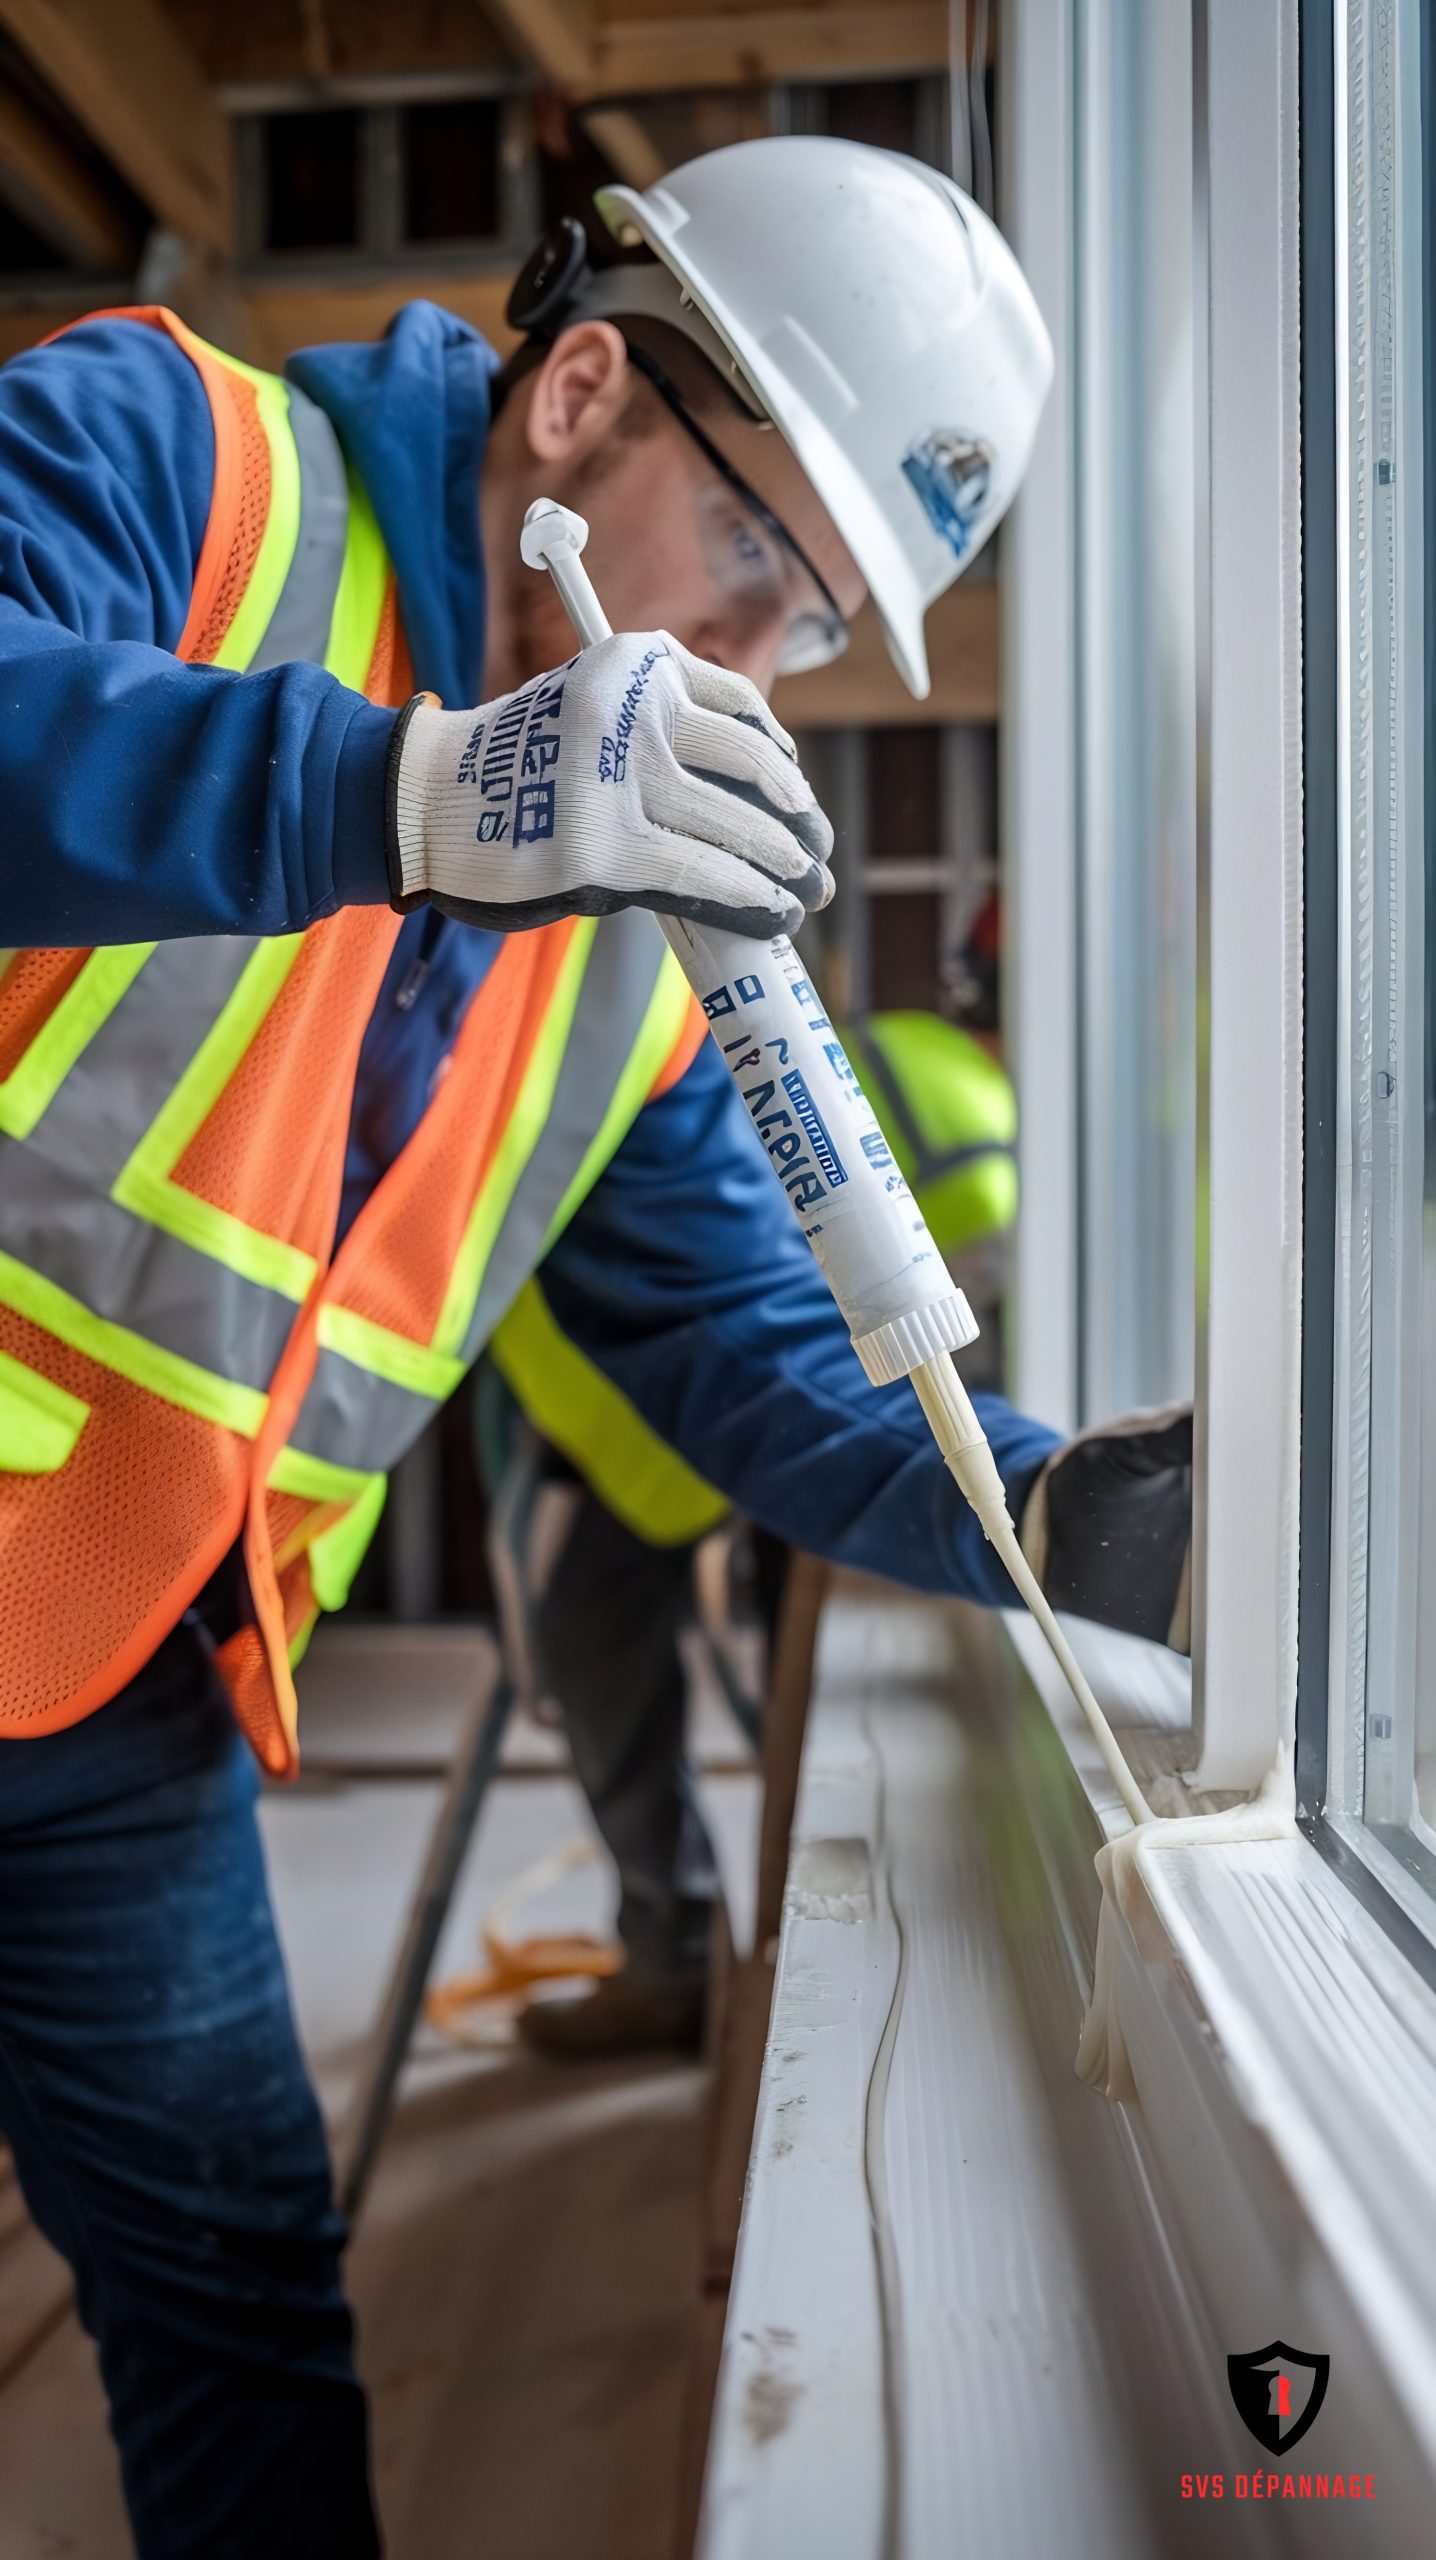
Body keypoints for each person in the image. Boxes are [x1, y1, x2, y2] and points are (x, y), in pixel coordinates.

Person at [0, 137, 1189, 2557]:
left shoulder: (604, 920)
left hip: (104, 1688)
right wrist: (417, 791)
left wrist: (1066, 1509)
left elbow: (754, 1339)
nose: (753, 666)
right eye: (757, 563)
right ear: (577, 395)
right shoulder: (165, 460)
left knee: (237, 2296)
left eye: (814, 625)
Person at [484, 1006, 1027, 2057]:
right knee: (616, 1640)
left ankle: (729, 1951)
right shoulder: (932, 1076)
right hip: (699, 1393)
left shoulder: (917, 1076)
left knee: (770, 1665)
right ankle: (685, 1959)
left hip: (778, 1399)